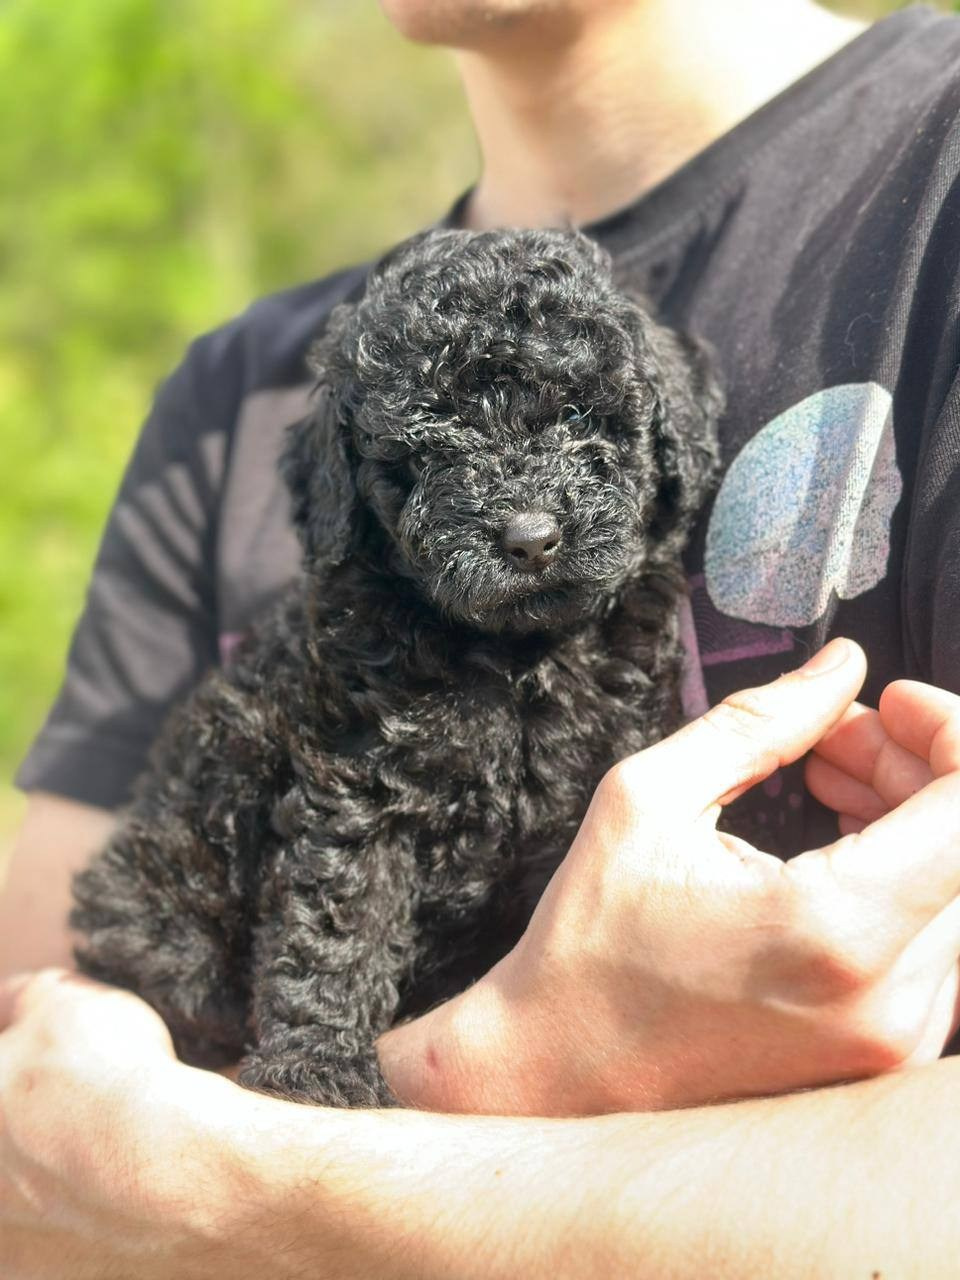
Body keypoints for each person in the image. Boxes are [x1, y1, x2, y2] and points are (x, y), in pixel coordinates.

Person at [4, 0, 960, 1270]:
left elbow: (112, 1167)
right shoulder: (237, 393)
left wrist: (206, 1175)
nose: (522, 515)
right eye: (437, 465)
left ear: (670, 451)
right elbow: (41, 1140)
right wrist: (511, 1059)